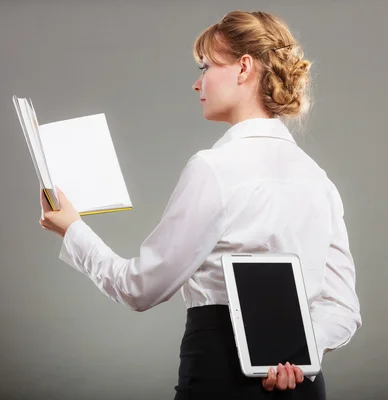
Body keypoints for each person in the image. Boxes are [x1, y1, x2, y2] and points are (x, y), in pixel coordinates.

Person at [39, 10, 361, 400]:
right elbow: (343, 307)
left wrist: (72, 229)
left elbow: (140, 288)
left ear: (244, 67)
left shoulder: (213, 168)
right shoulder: (318, 180)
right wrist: (298, 355)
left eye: (206, 66)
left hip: (220, 379)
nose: (197, 83)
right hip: (303, 387)